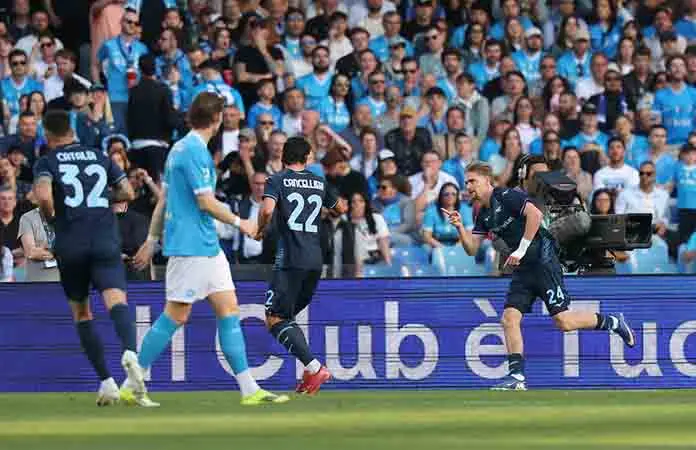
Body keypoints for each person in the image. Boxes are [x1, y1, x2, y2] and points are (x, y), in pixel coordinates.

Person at [132, 93, 288, 406]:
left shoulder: (178, 149)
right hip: (191, 247)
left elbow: (164, 201)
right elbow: (205, 202)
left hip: (206, 246)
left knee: (229, 310)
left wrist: (151, 239)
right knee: (176, 314)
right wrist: (242, 223)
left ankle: (249, 389)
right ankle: (131, 378)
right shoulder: (194, 152)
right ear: (216, 120)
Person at [444, 162, 635, 391]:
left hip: (544, 261)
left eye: (472, 181)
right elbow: (472, 249)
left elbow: (534, 215)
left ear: (487, 181)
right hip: (523, 269)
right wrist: (459, 227)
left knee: (564, 322)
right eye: (466, 182)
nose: (468, 186)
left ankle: (613, 322)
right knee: (509, 319)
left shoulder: (506, 196)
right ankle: (517, 377)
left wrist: (521, 249)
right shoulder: (483, 215)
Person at [32, 110, 150, 406]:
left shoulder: (47, 161)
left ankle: (107, 382)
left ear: (47, 134)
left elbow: (43, 196)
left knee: (82, 312)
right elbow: (127, 192)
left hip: (71, 242)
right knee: (117, 301)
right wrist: (98, 200)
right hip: (104, 239)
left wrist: (53, 218)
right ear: (72, 130)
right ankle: (130, 352)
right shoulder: (99, 155)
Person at [254, 136, 347, 394]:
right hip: (315, 260)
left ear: (284, 155)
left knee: (275, 318)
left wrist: (260, 230)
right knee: (287, 318)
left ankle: (315, 367)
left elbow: (267, 210)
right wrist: (323, 210)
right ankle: (309, 371)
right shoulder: (318, 181)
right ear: (306, 157)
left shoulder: (277, 180)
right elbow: (340, 208)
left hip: (290, 259)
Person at [93, 8, 149, 134]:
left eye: (136, 23)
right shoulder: (109, 45)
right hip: (115, 97)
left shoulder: (142, 48)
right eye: (129, 21)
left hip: (135, 98)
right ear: (121, 22)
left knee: (132, 135)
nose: (132, 25)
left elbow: (146, 72)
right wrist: (98, 85)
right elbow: (95, 65)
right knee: (112, 134)